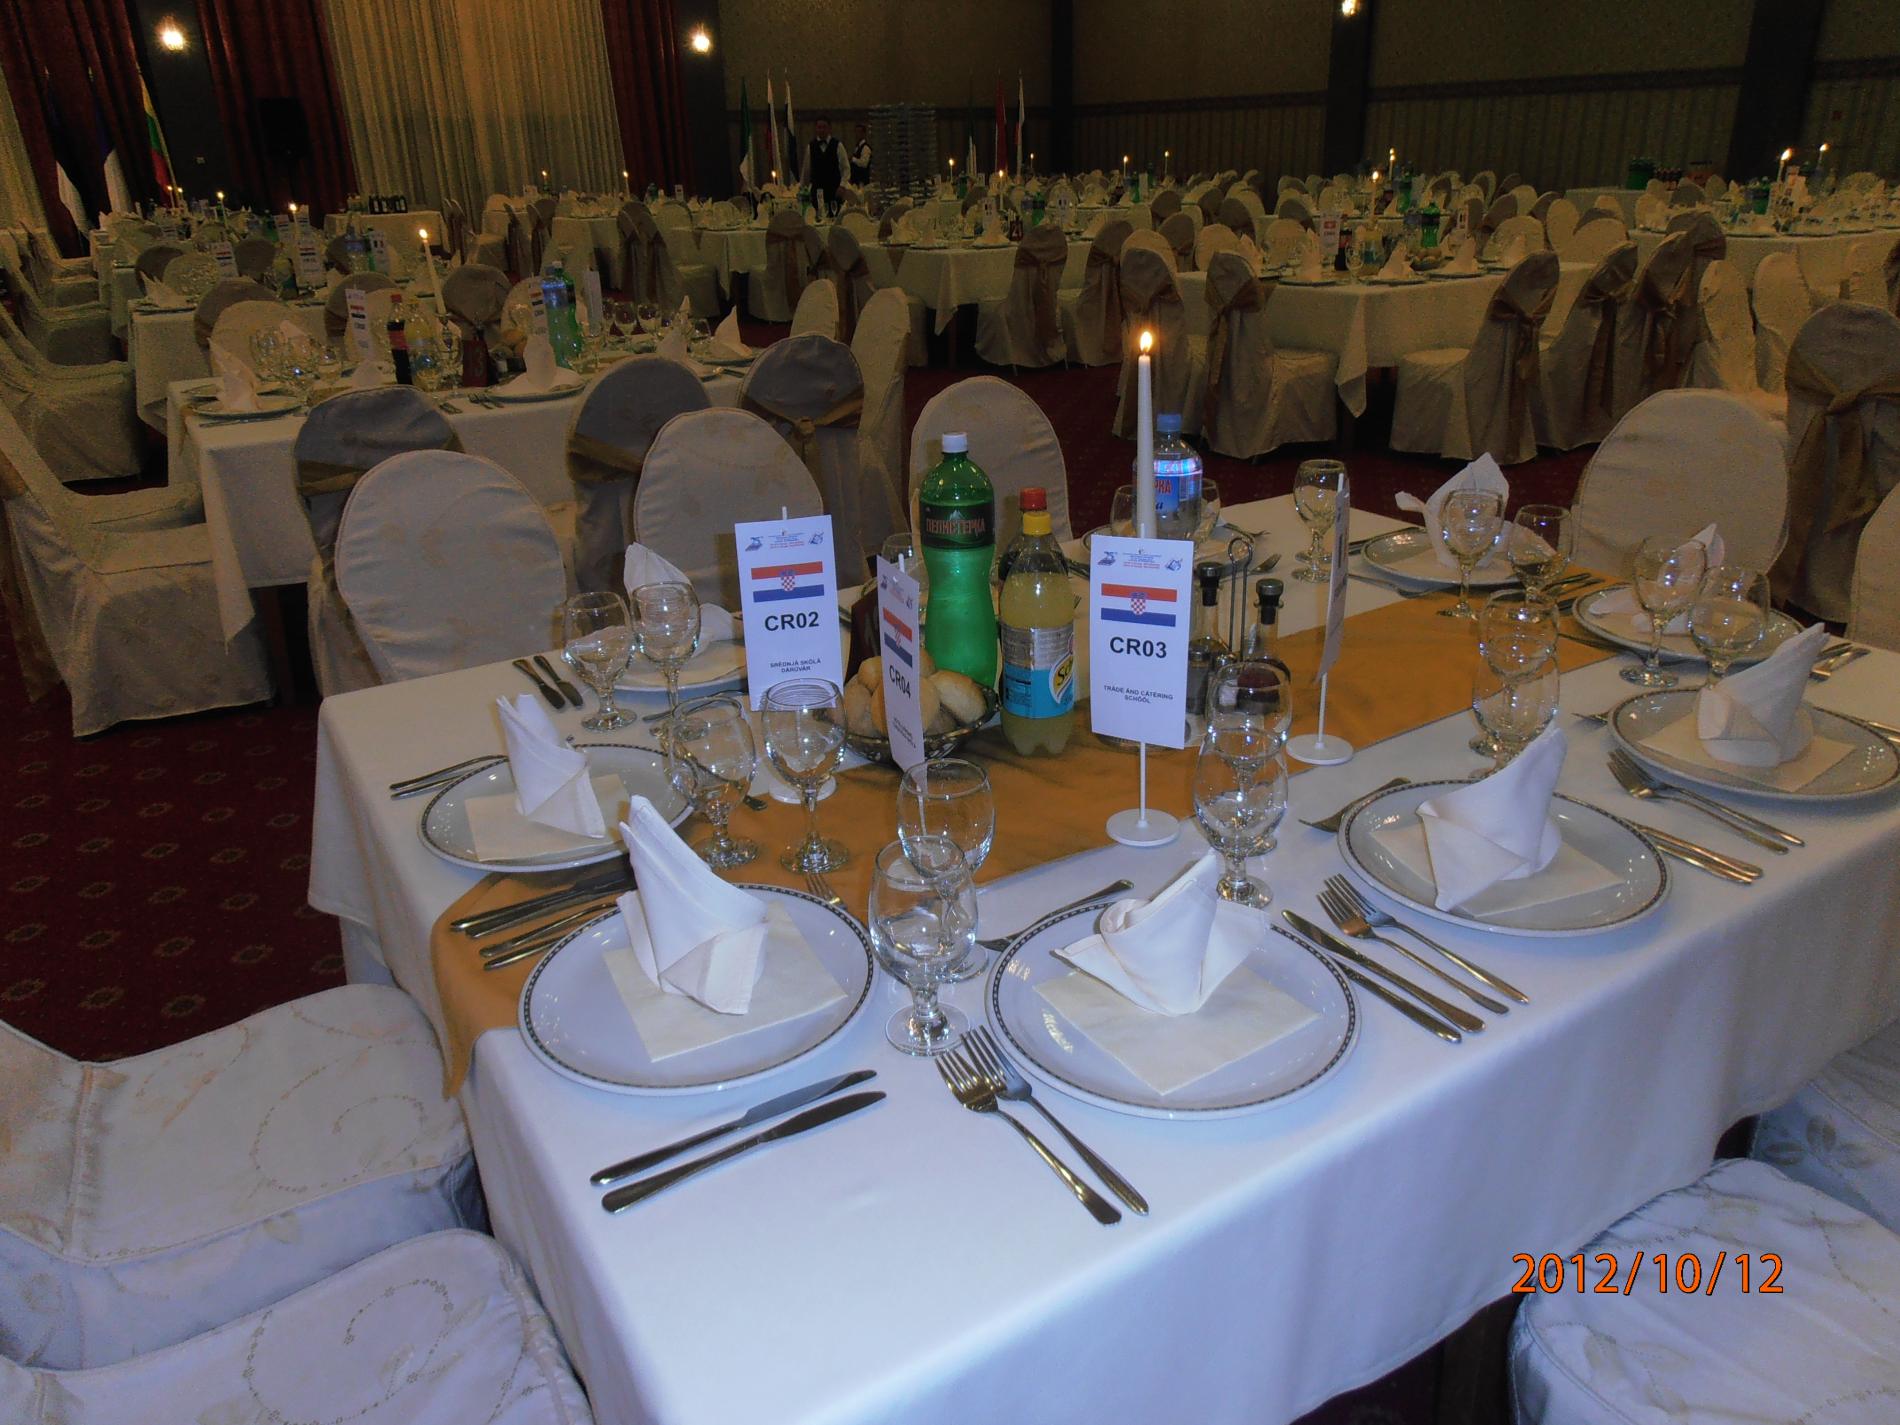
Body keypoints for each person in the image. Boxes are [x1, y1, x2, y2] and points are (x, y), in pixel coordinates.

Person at [808, 117, 844, 215]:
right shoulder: (810, 146)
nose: (822, 130)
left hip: (834, 190)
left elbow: (846, 168)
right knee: (817, 218)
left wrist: (842, 186)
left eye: (824, 127)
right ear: (816, 129)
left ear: (829, 128)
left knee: (835, 217)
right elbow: (806, 170)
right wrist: (805, 189)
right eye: (819, 127)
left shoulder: (838, 145)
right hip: (817, 191)